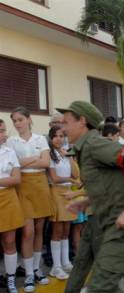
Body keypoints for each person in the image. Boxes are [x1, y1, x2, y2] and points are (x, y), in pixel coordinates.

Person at [58, 101, 124, 293]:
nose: (62, 127)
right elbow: (109, 184)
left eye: (66, 122)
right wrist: (88, 200)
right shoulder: (85, 149)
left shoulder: (95, 144)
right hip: (117, 227)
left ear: (82, 121)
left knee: (100, 287)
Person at [7, 107, 52, 292]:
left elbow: (46, 163)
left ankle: (37, 268)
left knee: (40, 229)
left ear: (28, 119)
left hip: (40, 185)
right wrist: (35, 158)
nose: (18, 123)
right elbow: (14, 165)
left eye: (20, 119)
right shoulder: (11, 141)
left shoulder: (41, 139)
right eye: (15, 121)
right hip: (22, 186)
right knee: (28, 232)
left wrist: (25, 160)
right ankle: (28, 275)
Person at [47, 126, 79, 280]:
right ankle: (56, 267)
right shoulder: (49, 154)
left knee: (66, 230)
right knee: (57, 231)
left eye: (62, 136)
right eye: (56, 136)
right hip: (56, 192)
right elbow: (54, 178)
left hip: (68, 193)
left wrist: (70, 156)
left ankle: (65, 262)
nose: (59, 139)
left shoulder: (66, 153)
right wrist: (70, 180)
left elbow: (76, 173)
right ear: (51, 138)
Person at [0, 119, 24, 293]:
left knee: (9, 241)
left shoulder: (10, 152)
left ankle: (10, 279)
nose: (4, 134)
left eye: (3, 130)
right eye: (1, 131)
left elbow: (16, 179)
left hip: (8, 199)